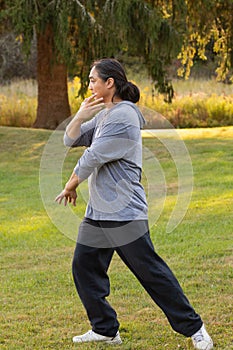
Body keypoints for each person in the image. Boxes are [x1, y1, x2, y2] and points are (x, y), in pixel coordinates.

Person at [55, 58, 213, 349]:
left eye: (92, 80)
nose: (88, 85)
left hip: (124, 211)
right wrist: (79, 115)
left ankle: (195, 328)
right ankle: (105, 329)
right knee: (84, 266)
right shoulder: (105, 115)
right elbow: (70, 139)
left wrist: (70, 184)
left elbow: (92, 156)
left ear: (109, 83)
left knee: (151, 273)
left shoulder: (124, 116)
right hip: (99, 212)